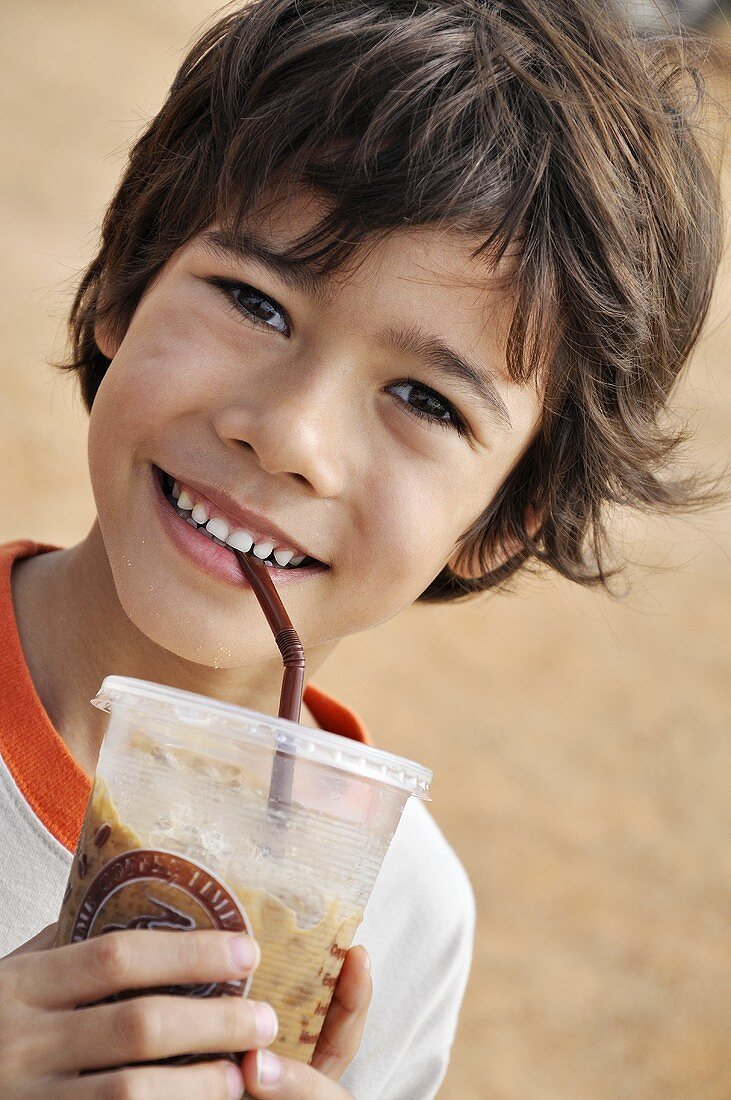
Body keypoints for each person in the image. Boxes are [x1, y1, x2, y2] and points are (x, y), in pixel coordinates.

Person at [0, 0, 723, 1097]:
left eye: (422, 399)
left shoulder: (401, 912)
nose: (287, 436)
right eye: (254, 299)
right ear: (119, 285)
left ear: (500, 522)